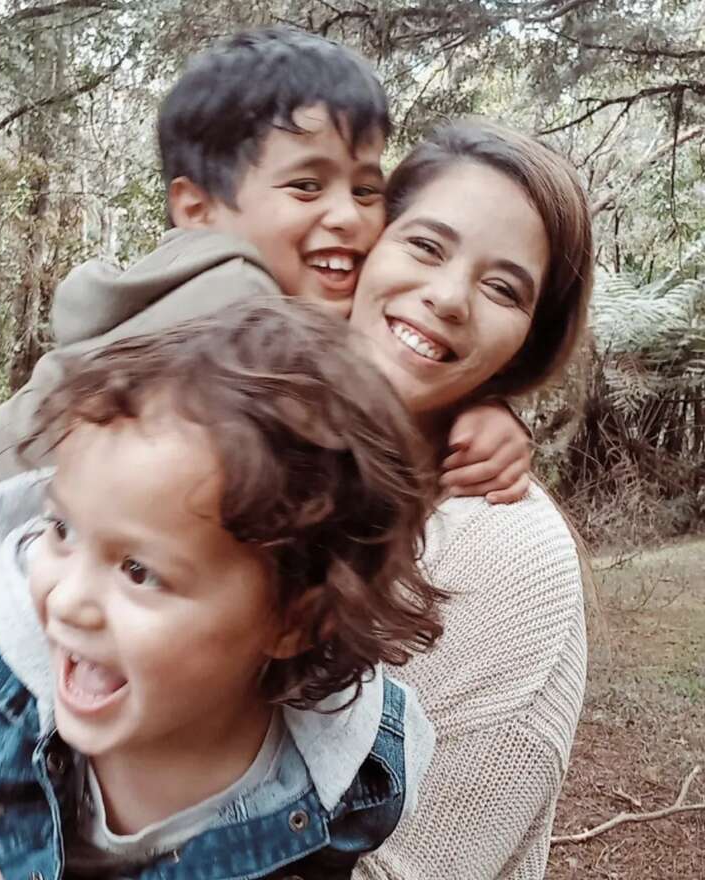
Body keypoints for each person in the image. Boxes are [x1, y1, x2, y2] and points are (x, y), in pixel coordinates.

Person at [0, 27, 532, 574]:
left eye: (364, 190)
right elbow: (366, 399)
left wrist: (482, 403)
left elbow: (383, 358)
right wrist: (478, 406)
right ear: (196, 206)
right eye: (305, 188)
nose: (349, 219)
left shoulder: (206, 291)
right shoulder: (231, 301)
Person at [0, 299, 443, 880]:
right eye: (62, 530)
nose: (67, 600)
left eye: (138, 572)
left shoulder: (352, 773)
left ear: (295, 621)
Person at [347, 119, 594, 879]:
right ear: (365, 246)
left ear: (528, 340)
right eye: (424, 245)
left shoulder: (506, 552)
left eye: (502, 288)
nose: (449, 297)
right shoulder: (250, 422)